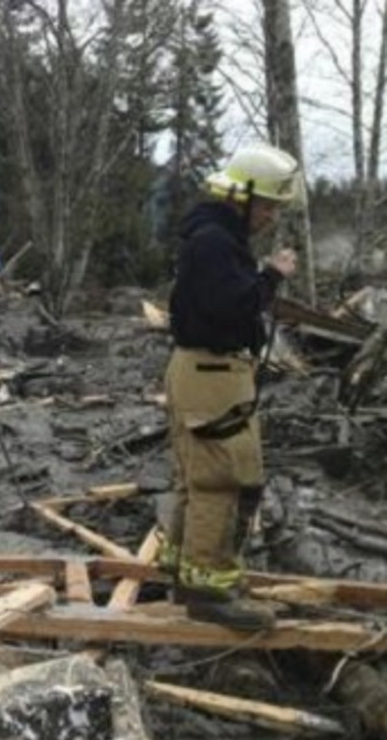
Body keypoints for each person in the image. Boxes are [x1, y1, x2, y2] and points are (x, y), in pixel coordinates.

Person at [161, 143, 300, 631]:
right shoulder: (215, 244)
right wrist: (271, 276)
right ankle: (208, 591)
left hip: (202, 372)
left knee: (196, 477)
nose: (270, 217)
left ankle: (185, 571)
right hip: (211, 375)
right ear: (240, 196)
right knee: (223, 479)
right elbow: (234, 307)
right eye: (266, 206)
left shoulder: (212, 236)